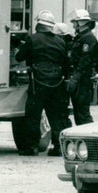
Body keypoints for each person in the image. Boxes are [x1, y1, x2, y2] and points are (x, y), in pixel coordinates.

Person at [14, 10, 70, 156]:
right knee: (56, 115)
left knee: (33, 115)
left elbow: (20, 57)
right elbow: (65, 63)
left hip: (38, 83)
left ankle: (32, 147)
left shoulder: (32, 39)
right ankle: (58, 147)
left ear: (39, 24)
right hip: (56, 83)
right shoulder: (60, 41)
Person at [66, 9, 98, 125]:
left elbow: (84, 61)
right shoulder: (81, 37)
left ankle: (88, 137)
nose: (73, 24)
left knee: (83, 113)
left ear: (81, 23)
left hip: (83, 79)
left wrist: (75, 78)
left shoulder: (88, 38)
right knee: (78, 111)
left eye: (74, 22)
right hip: (79, 78)